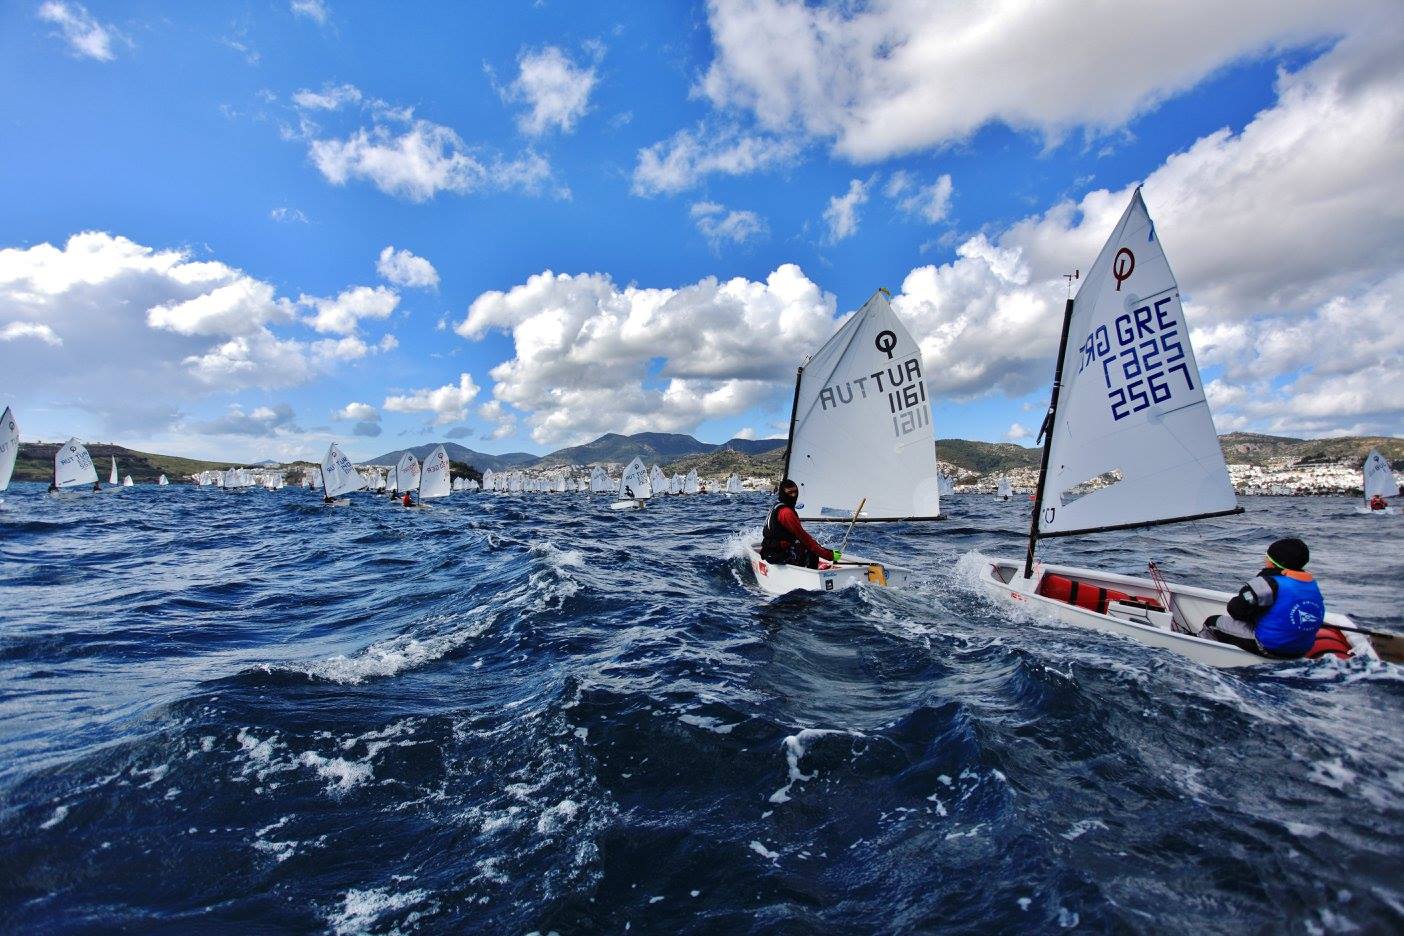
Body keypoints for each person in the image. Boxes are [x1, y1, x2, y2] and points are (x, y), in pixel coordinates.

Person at [1203, 538, 1324, 658]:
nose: (1265, 559)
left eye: (1267, 556)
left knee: (1212, 622)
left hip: (1270, 647)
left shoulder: (1267, 583)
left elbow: (1235, 610)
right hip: (1302, 649)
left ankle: (1202, 656)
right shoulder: (1311, 584)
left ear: (1273, 562)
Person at [759, 479, 841, 568]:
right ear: (783, 493)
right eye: (790, 493)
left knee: (805, 546)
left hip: (770, 550)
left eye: (795, 492)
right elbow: (804, 538)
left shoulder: (777, 506)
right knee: (811, 551)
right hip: (776, 555)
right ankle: (810, 576)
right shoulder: (786, 512)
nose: (794, 495)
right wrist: (829, 555)